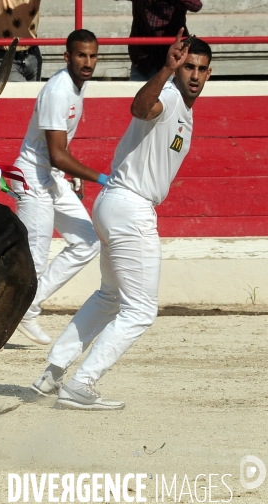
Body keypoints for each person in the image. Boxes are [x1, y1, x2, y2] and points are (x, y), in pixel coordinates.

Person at [31, 29, 212, 410]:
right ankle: (81, 383)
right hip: (130, 208)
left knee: (111, 296)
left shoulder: (183, 108)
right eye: (189, 67)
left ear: (209, 74)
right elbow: (140, 108)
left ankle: (53, 373)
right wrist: (165, 69)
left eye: (201, 69)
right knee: (141, 309)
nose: (193, 75)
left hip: (114, 203)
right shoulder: (168, 94)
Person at [12, 29, 109, 345]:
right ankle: (20, 310)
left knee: (86, 241)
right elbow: (55, 154)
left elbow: (59, 151)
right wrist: (101, 178)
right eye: (81, 55)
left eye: (93, 56)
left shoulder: (76, 87)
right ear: (67, 57)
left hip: (51, 177)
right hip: (34, 180)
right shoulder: (58, 91)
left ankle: (25, 307)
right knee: (35, 262)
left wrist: (74, 172)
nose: (88, 62)